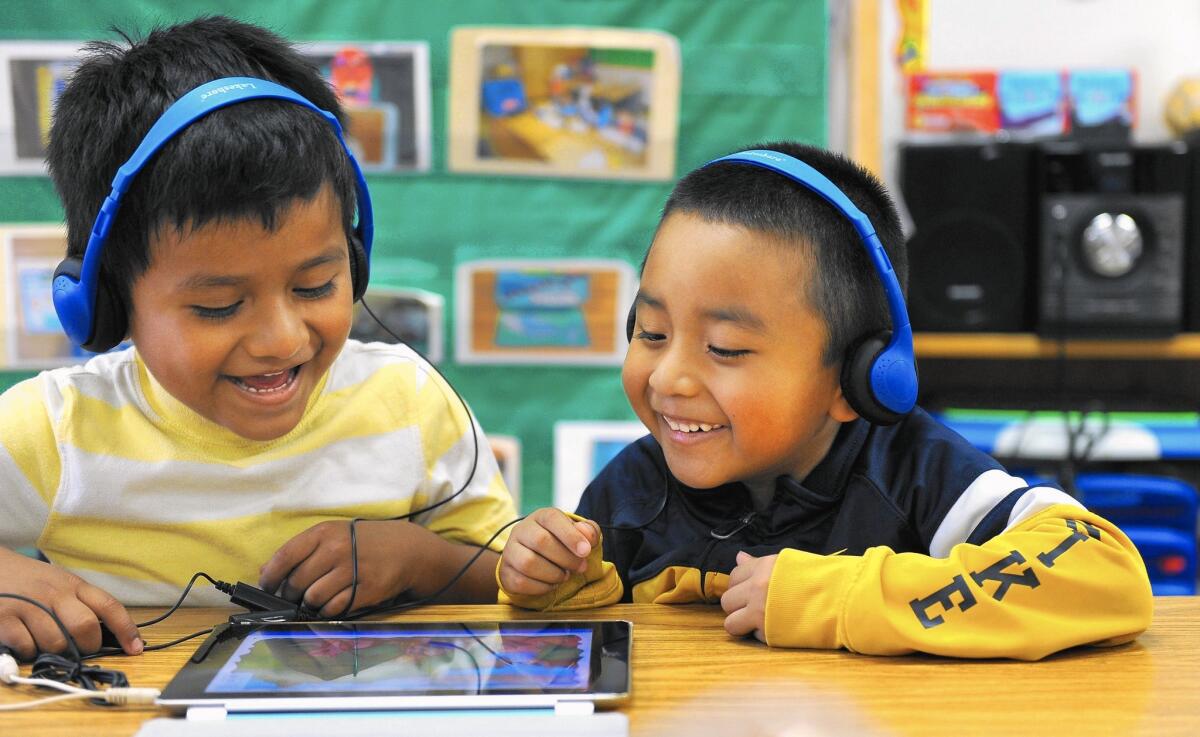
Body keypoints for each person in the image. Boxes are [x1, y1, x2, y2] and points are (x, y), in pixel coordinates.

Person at [497, 141, 1153, 660]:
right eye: (652, 332)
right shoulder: (634, 488)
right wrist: (557, 583)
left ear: (859, 377)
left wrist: (840, 597)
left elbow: (1106, 571)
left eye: (724, 347)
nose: (668, 376)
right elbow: (589, 637)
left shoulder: (913, 472)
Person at [0, 16, 515, 661]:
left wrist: (422, 561)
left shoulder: (409, 402)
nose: (280, 339)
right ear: (106, 303)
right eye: (218, 306)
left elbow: (509, 578)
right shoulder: (51, 430)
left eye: (315, 287)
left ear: (353, 262)